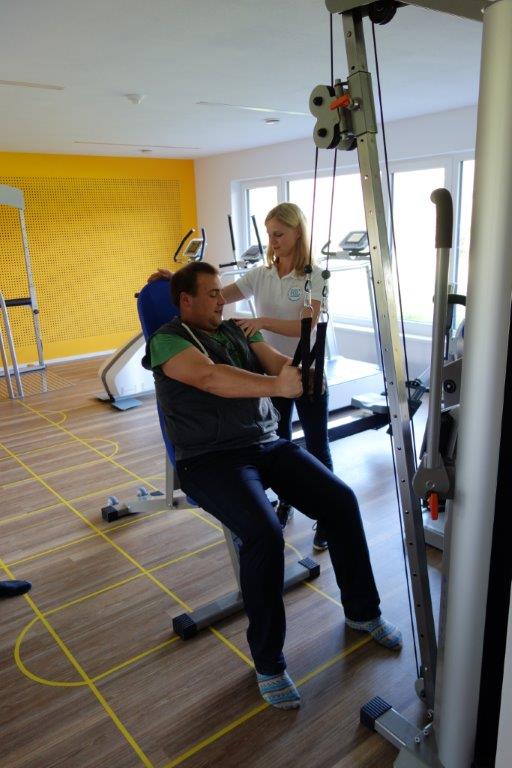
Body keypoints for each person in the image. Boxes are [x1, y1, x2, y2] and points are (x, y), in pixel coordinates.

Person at [143, 260, 402, 711]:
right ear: (186, 300)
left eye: (221, 293)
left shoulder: (238, 330)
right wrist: (276, 386)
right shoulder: (169, 340)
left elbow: (275, 362)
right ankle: (268, 662)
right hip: (209, 459)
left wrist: (298, 373)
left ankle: (363, 612)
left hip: (263, 443)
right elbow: (210, 377)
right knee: (263, 533)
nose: (222, 300)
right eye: (212, 294)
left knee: (340, 501)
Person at [150, 203, 332, 552]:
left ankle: (326, 519)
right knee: (279, 442)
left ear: (297, 233)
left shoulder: (316, 276)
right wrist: (176, 282)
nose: (273, 241)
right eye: (269, 234)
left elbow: (306, 325)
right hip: (270, 373)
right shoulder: (261, 275)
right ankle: (285, 504)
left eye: (279, 234)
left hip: (302, 371)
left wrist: (260, 322)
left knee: (316, 445)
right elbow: (215, 296)